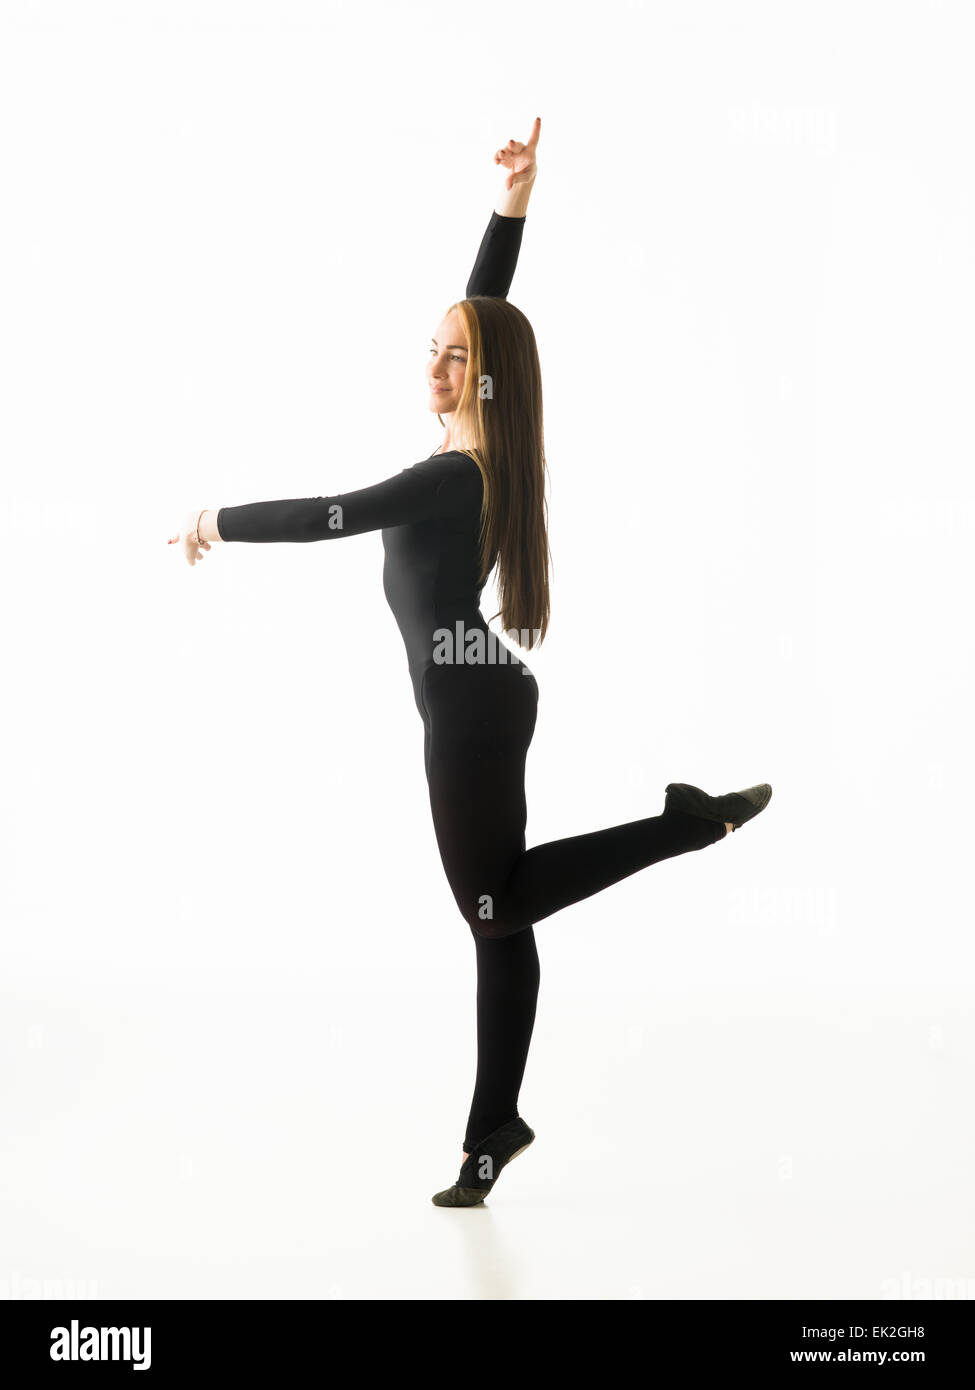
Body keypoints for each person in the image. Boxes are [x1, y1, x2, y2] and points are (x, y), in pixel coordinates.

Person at [168, 117, 772, 1207]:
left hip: (473, 705)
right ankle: (493, 1130)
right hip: (480, 693)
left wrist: (217, 516)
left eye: (458, 357)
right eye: (434, 349)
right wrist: (511, 209)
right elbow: (484, 317)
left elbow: (328, 514)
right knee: (503, 917)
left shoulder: (454, 476)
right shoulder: (474, 441)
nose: (440, 365)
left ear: (485, 379)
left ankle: (688, 823)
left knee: (494, 908)